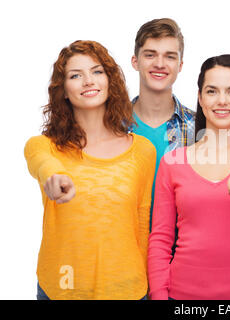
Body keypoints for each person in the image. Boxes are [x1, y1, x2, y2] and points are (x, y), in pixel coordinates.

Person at [24, 40, 156, 300]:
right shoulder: (45, 147)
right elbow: (42, 164)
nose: (88, 81)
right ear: (63, 90)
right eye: (76, 75)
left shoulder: (143, 150)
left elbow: (142, 226)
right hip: (61, 289)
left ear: (110, 80)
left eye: (97, 71)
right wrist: (53, 176)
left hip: (129, 290)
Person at [147, 54, 230, 300]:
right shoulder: (172, 161)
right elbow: (160, 239)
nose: (222, 101)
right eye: (212, 91)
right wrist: (158, 294)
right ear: (200, 97)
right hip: (183, 297)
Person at [130, 18, 195, 227]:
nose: (159, 64)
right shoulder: (111, 126)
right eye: (150, 55)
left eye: (169, 56)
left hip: (180, 251)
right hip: (123, 247)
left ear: (180, 65)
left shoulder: (199, 127)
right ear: (135, 61)